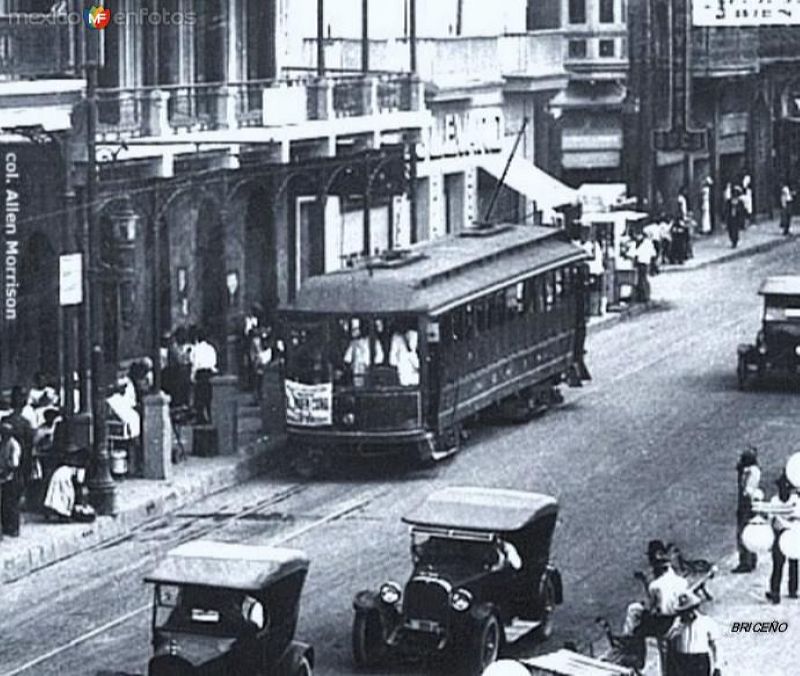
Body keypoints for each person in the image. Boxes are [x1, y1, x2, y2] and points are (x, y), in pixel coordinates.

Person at [664, 592, 719, 676]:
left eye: (688, 610)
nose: (685, 614)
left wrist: (717, 666)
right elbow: (668, 641)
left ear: (694, 609)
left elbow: (715, 646)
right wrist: (677, 628)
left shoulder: (706, 621)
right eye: (682, 612)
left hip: (699, 661)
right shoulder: (677, 624)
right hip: (681, 659)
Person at [765, 473, 799, 604]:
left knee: (791, 562)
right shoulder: (776, 501)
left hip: (791, 533)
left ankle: (790, 589)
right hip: (780, 533)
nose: (783, 491)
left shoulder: (795, 500)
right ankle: (777, 592)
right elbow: (770, 519)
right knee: (779, 564)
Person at [734, 447, 762, 573]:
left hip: (747, 505)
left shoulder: (750, 472)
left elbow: (746, 491)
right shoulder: (753, 470)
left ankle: (745, 561)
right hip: (749, 505)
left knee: (743, 532)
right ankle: (751, 559)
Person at [343, 319, 383, 386]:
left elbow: (347, 359)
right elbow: (380, 358)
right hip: (367, 371)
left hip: (359, 371)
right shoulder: (375, 341)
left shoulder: (354, 343)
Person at [0, 422, 22, 537]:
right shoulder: (3, 444)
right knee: (4, 503)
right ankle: (6, 527)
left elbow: (14, 463)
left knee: (12, 503)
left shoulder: (14, 445)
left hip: (12, 477)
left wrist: (5, 468)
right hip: (4, 477)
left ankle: (14, 528)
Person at [191, 329, 218, 424]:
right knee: (209, 397)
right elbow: (214, 362)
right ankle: (210, 417)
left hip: (200, 373)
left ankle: (200, 418)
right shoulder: (211, 348)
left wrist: (192, 376)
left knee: (199, 397)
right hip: (210, 373)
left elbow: (194, 364)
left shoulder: (196, 349)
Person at [632, 232, 656, 302]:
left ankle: (644, 296)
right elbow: (653, 254)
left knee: (642, 279)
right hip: (643, 262)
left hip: (643, 262)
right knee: (642, 279)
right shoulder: (645, 243)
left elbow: (636, 253)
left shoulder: (645, 243)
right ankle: (644, 296)